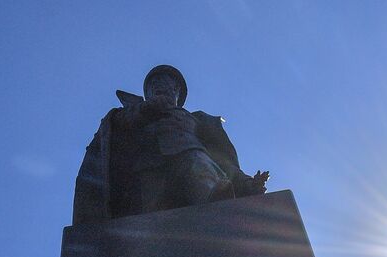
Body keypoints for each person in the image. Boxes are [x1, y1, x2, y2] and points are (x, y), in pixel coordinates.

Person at [73, 65, 269, 224]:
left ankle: (219, 205)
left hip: (190, 156)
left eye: (165, 82)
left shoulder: (198, 120)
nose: (159, 86)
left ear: (176, 91)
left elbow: (223, 159)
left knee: (200, 168)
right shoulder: (135, 113)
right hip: (148, 168)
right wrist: (143, 110)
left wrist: (245, 183)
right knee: (151, 217)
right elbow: (115, 126)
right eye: (153, 84)